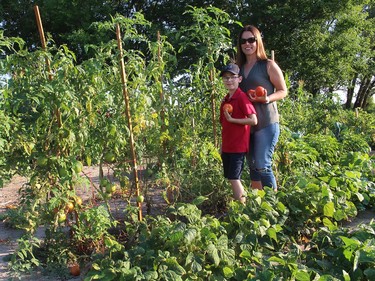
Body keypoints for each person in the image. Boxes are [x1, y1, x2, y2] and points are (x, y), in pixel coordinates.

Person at [236, 25, 287, 191]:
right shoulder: (239, 68)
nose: (247, 44)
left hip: (266, 122)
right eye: (243, 41)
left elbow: (283, 91)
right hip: (248, 125)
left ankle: (273, 206)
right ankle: (258, 207)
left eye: (251, 39)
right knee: (252, 167)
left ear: (258, 41)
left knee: (262, 165)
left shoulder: (268, 65)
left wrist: (267, 98)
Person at [219, 63, 258, 203]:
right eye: (226, 78)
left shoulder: (242, 97)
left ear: (239, 79)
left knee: (235, 179)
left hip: (238, 146)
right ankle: (238, 209)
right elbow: (224, 124)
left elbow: (253, 120)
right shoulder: (225, 100)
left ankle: (243, 211)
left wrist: (233, 119)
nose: (229, 80)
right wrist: (222, 146)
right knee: (231, 178)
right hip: (228, 146)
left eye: (232, 77)